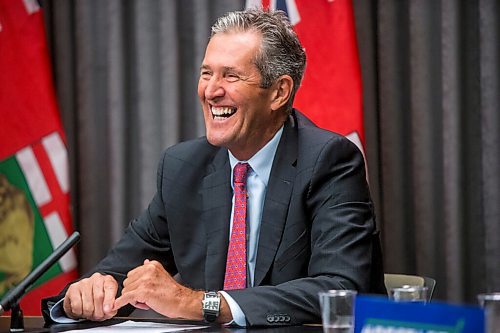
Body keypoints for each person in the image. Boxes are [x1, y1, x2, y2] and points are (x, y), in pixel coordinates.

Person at [43, 8, 385, 327]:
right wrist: (87, 294)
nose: (211, 90)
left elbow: (340, 290)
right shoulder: (183, 167)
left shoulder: (330, 160)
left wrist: (202, 304)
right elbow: (119, 272)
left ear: (279, 92)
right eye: (206, 73)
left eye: (231, 76)